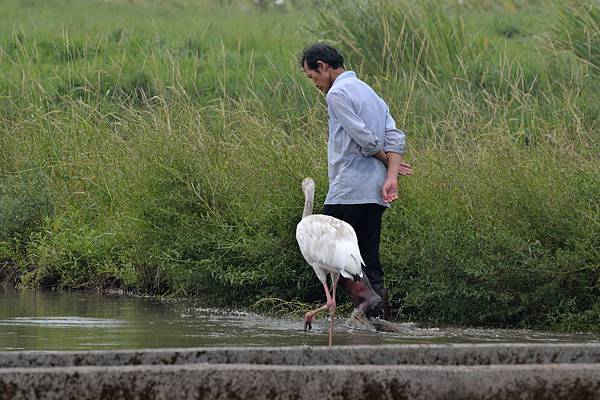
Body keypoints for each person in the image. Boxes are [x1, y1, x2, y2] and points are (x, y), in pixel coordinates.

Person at [299, 43, 413, 320]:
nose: (314, 84)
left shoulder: (337, 93)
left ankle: (369, 308)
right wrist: (391, 176)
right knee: (368, 259)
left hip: (347, 189)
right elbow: (395, 135)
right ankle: (381, 322)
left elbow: (362, 137)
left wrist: (387, 161)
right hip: (374, 193)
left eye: (312, 77)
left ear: (323, 66)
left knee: (327, 253)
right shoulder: (369, 92)